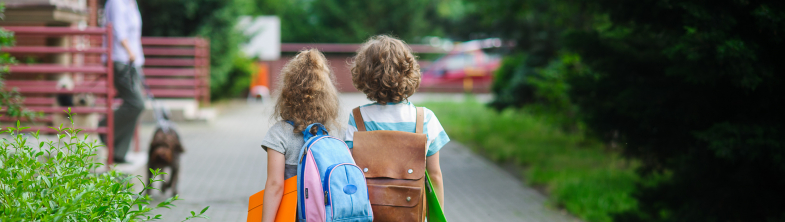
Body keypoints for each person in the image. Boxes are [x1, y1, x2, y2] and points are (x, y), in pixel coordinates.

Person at [345, 35, 448, 208]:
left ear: (365, 75)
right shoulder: (425, 118)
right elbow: (434, 175)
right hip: (410, 211)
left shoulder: (357, 117)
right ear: (409, 71)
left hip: (370, 210)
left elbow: (351, 169)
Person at [259, 49, 341, 222]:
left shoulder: (279, 133)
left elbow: (275, 185)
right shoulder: (329, 133)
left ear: (287, 93)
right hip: (325, 215)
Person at [102, 0, 145, 163]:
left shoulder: (131, 3)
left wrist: (137, 59)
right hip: (120, 59)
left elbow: (134, 33)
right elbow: (119, 31)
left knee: (136, 106)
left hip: (132, 62)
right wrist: (130, 52)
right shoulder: (117, 2)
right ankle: (103, 127)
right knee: (136, 103)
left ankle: (119, 153)